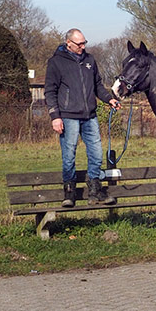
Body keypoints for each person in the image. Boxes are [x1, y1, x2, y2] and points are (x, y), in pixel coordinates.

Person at [44, 28, 118, 207]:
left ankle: (95, 191)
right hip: (68, 117)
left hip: (89, 116)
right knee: (69, 155)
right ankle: (69, 193)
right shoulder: (56, 62)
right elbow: (50, 91)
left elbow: (98, 85)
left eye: (84, 43)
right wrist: (55, 116)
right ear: (68, 43)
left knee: (96, 153)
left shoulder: (90, 60)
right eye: (79, 44)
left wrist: (109, 99)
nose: (83, 47)